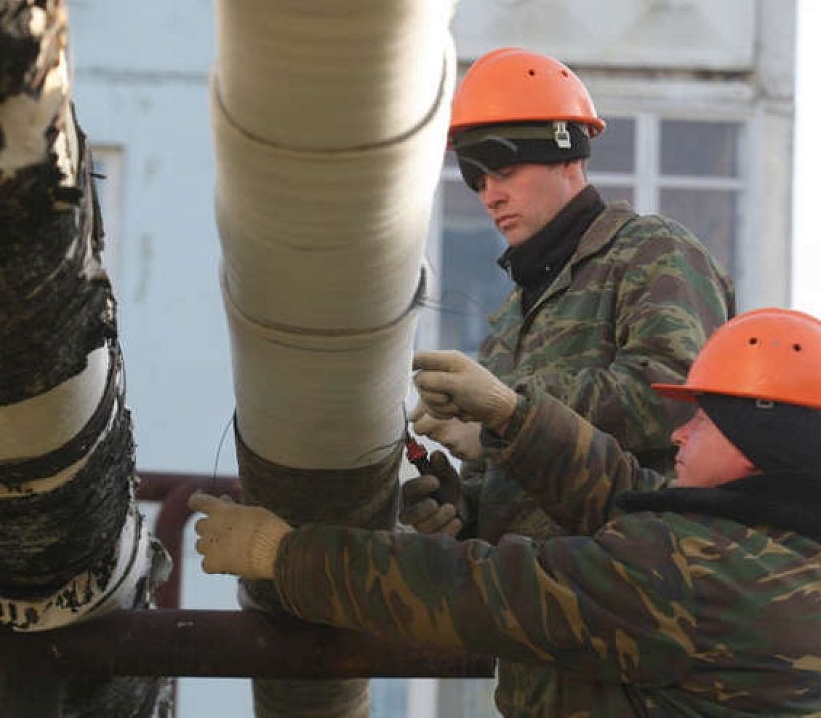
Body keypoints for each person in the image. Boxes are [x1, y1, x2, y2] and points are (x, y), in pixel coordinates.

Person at [190, 308, 821, 716]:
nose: (679, 436)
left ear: (762, 440)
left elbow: (478, 592)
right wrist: (510, 418)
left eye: (703, 419)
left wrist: (283, 553)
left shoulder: (685, 573)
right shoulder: (774, 547)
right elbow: (629, 496)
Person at [404, 46, 735, 709]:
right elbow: (513, 484)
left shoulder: (650, 252)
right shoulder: (511, 320)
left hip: (640, 638)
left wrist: (505, 410)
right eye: (473, 179)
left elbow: (673, 399)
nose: (488, 193)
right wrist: (459, 507)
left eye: (503, 168)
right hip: (539, 665)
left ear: (567, 154)